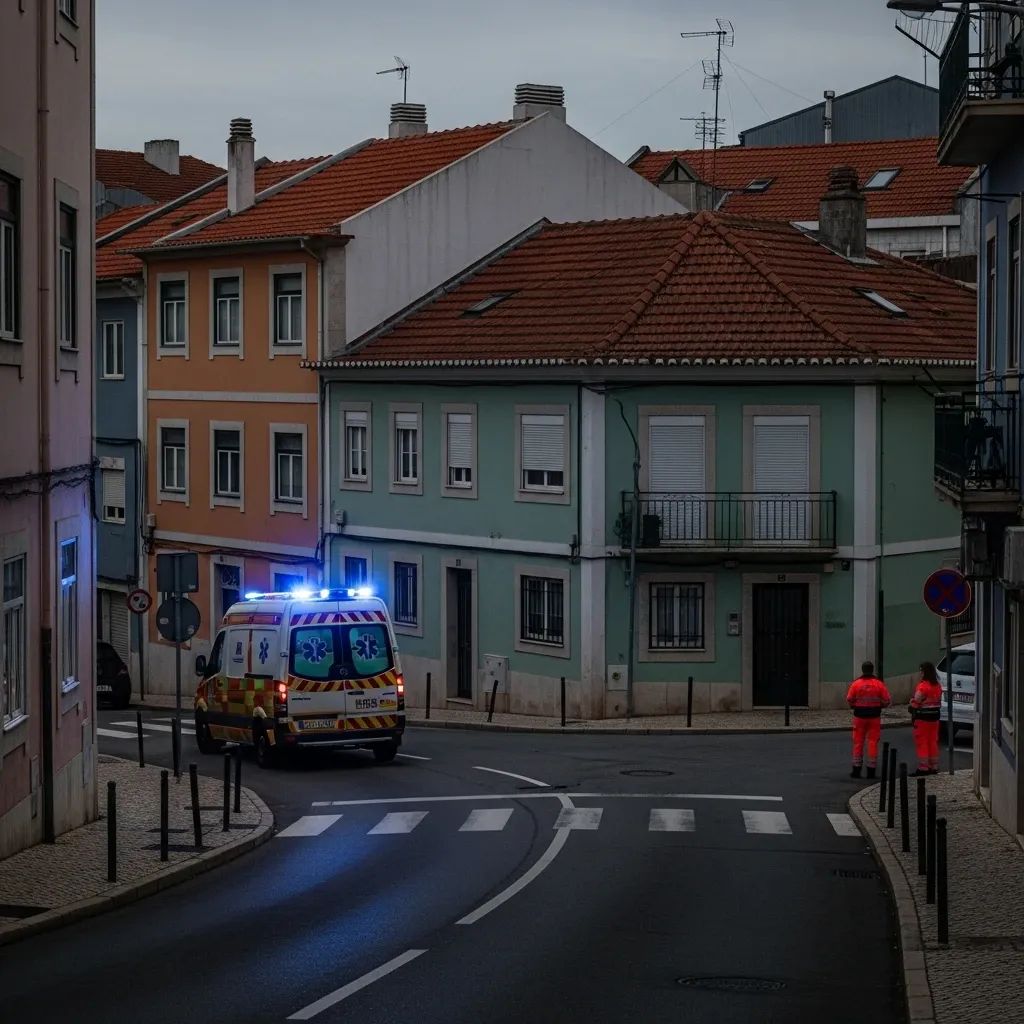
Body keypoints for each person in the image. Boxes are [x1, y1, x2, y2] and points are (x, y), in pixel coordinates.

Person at [846, 661, 892, 779]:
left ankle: (856, 769)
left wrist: (855, 705)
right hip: (874, 717)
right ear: (872, 670)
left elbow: (849, 699)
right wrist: (879, 705)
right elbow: (887, 700)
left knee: (858, 742)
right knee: (872, 742)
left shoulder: (856, 684)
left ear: (862, 670)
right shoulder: (879, 684)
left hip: (859, 717)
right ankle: (871, 770)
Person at [909, 662, 943, 776]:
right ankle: (934, 766)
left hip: (922, 718)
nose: (920, 673)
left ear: (924, 672)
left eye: (921, 670)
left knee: (922, 742)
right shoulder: (937, 686)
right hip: (934, 719)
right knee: (932, 742)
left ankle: (923, 768)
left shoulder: (923, 686)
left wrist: (911, 703)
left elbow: (916, 701)